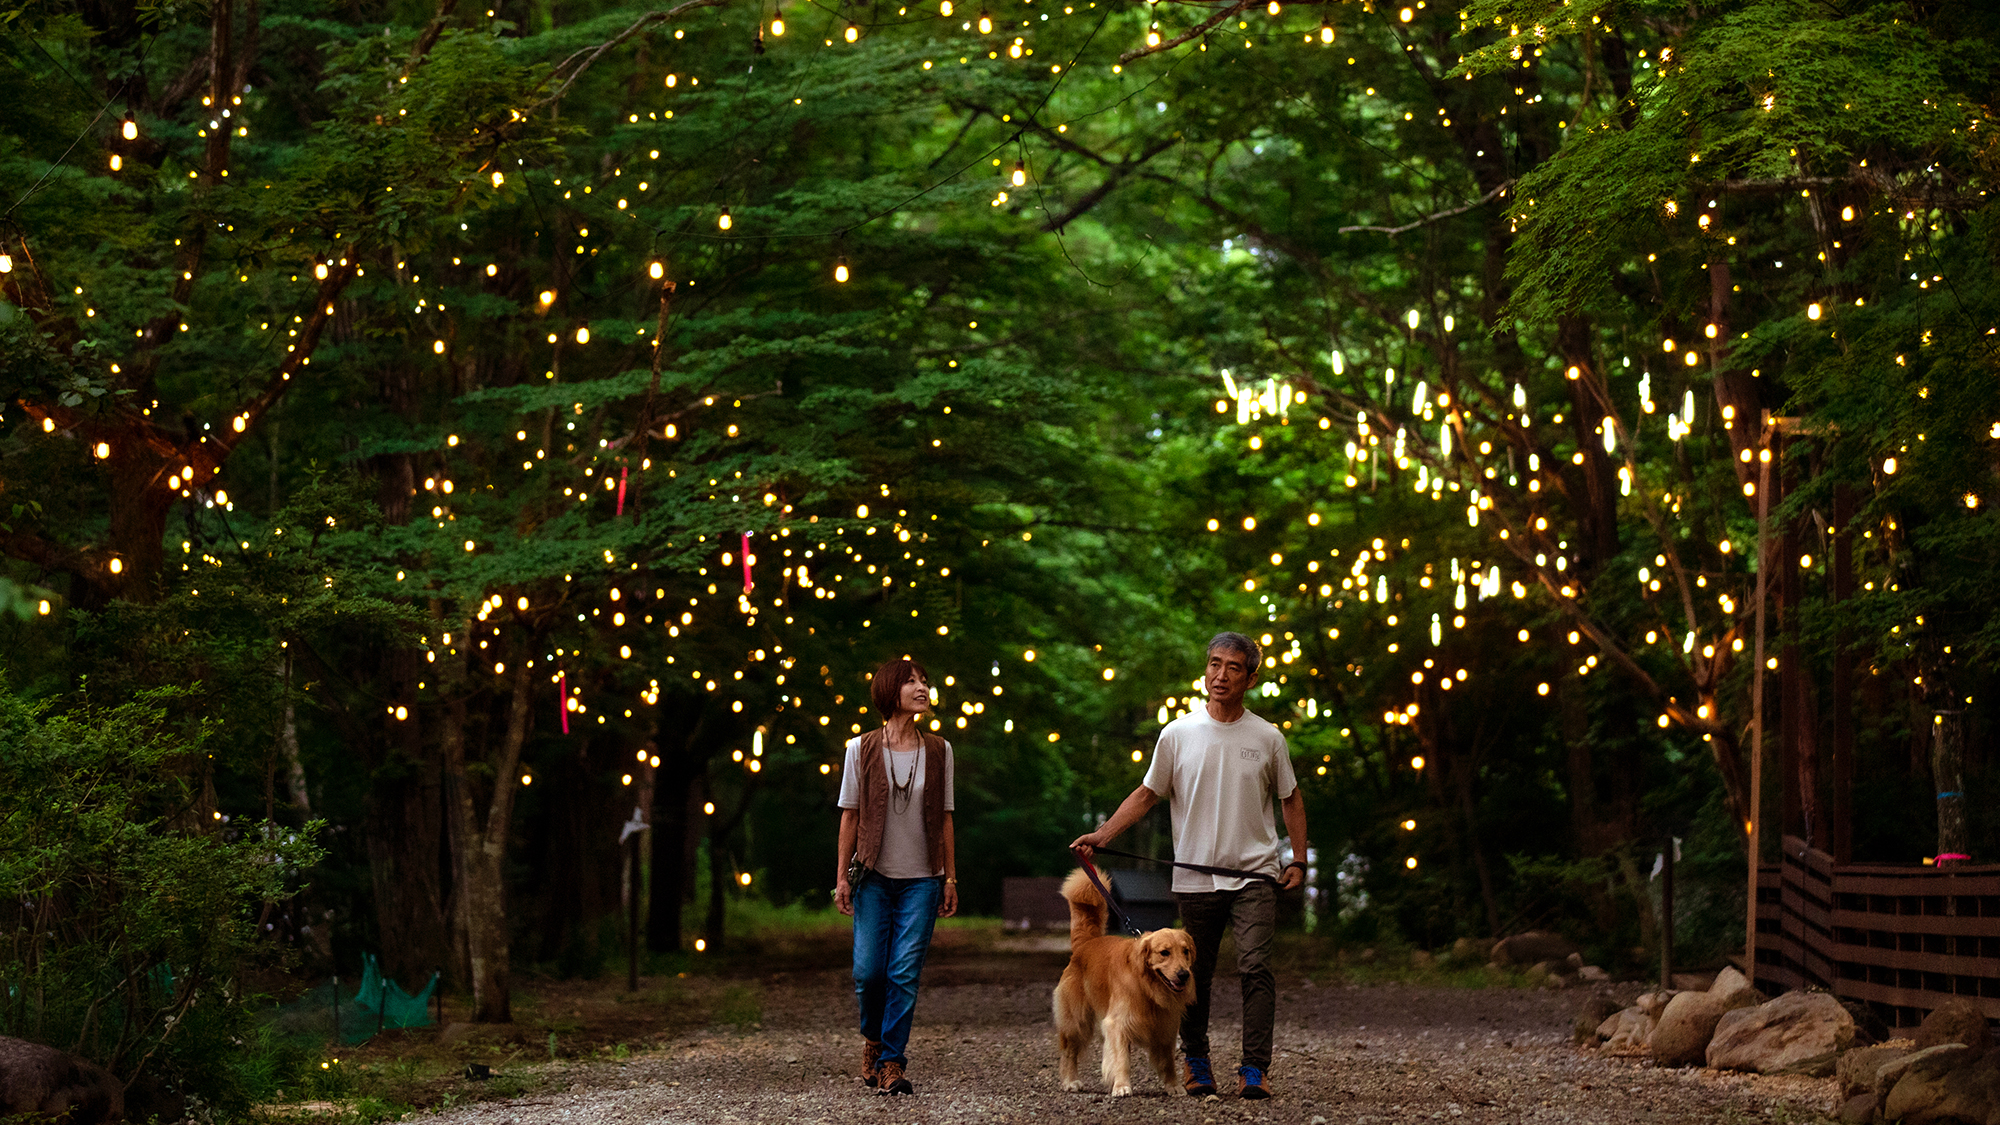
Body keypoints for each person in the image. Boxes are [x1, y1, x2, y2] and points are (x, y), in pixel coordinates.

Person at [1071, 632, 1307, 1101]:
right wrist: (1103, 835)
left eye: (1233, 667)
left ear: (1251, 677)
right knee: (1190, 973)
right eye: (1214, 664)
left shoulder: (1267, 737)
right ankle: (1196, 1059)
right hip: (1196, 877)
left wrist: (1298, 858)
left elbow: (1291, 799)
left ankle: (1255, 1068)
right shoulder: (1177, 733)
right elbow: (1146, 794)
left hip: (1256, 875)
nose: (1220, 675)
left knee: (1257, 966)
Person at [834, 657, 958, 1096]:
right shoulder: (860, 748)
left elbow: (945, 819)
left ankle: (891, 1061)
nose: (922, 688)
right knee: (869, 971)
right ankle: (872, 1040)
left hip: (922, 879)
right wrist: (842, 878)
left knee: (904, 972)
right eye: (912, 682)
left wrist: (949, 878)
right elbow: (849, 817)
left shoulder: (940, 751)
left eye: (925, 680)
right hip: (872, 875)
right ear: (890, 691)